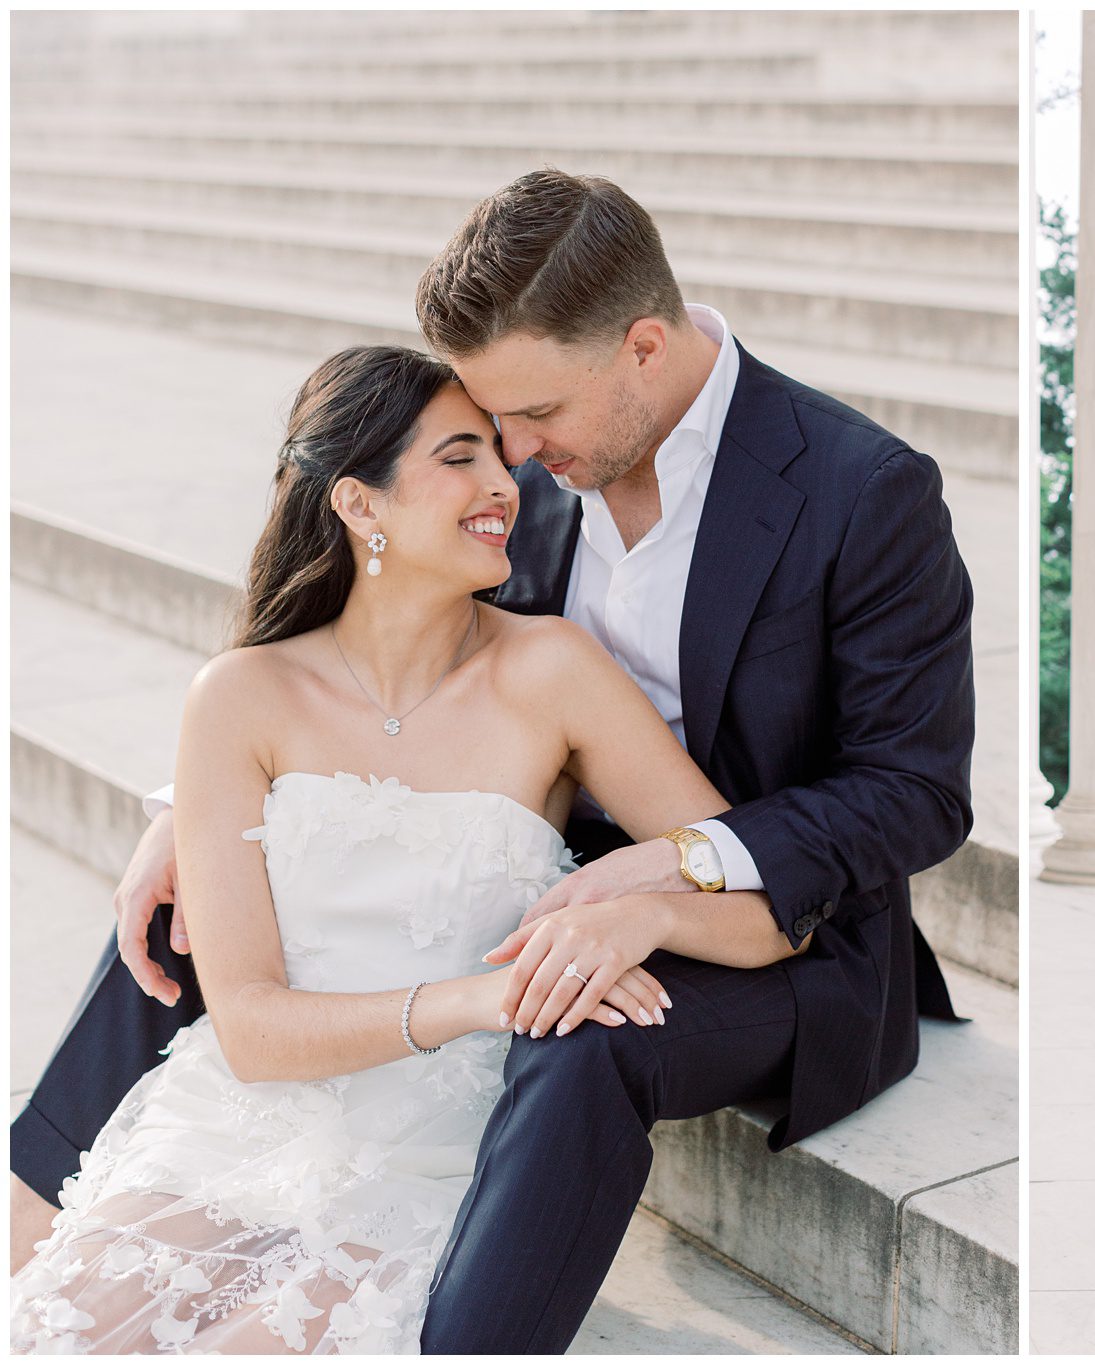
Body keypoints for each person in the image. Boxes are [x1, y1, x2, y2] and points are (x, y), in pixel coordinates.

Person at [11, 171, 977, 1352]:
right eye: (488, 427)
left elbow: (915, 791)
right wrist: (206, 808)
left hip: (772, 910)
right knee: (194, 913)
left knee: (574, 1036)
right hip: (529, 853)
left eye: (531, 418)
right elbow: (397, 647)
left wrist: (665, 883)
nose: (512, 460)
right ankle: (34, 1252)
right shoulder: (538, 468)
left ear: (641, 346)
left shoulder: (859, 491)